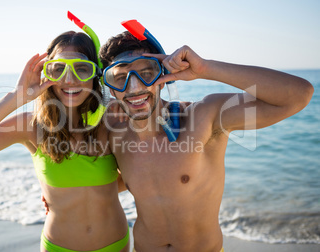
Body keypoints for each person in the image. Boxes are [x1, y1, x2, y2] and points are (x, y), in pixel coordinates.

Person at [98, 31, 314, 252]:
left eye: (146, 72)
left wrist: (205, 69)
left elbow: (299, 94)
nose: (134, 88)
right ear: (112, 89)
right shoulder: (116, 133)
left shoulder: (203, 117)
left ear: (162, 77)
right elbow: (104, 183)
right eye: (121, 78)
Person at [0, 31, 130, 252]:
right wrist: (16, 97)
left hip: (115, 245)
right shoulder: (33, 127)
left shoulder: (111, 124)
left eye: (81, 68)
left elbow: (139, 175)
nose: (70, 79)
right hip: (59, 247)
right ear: (46, 74)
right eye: (59, 69)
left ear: (95, 74)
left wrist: (95, 190)